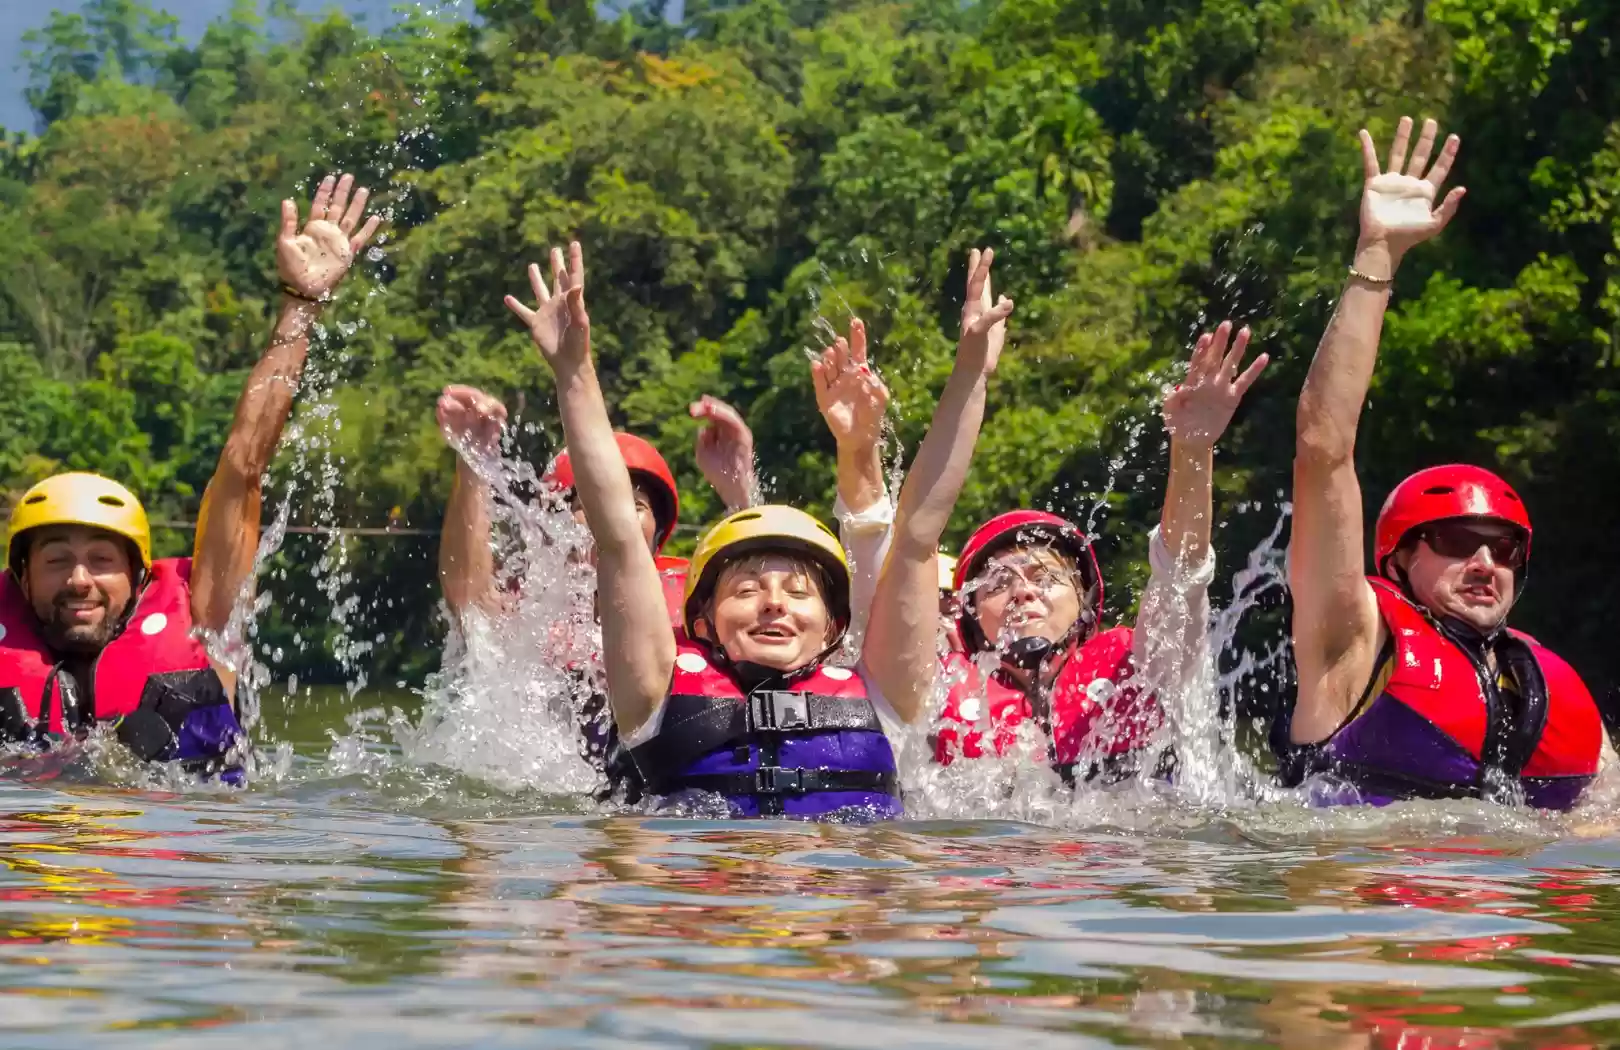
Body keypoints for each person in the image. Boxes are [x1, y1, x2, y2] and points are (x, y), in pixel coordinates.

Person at [505, 240, 1013, 818]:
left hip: (841, 907)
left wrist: (971, 372)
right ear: (702, 621)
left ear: (833, 629)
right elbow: (619, 534)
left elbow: (920, 529)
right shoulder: (654, 697)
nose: (774, 604)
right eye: (746, 590)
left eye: (799, 593)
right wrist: (574, 371)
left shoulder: (882, 698)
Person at [0, 174, 384, 776]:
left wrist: (300, 306)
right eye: (55, 561)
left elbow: (243, 465)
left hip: (192, 859)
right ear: (20, 578)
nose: (79, 580)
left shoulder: (204, 614)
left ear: (137, 573)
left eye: (101, 558)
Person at [1280, 116, 1608, 809]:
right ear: (1398, 558)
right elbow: (1323, 445)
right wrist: (1377, 257)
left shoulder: (1552, 689)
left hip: (1503, 913)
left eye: (1506, 549)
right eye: (1458, 544)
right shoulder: (1350, 638)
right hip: (1370, 910)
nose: (1487, 565)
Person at [435, 389, 756, 625]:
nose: (614, 517)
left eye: (636, 504)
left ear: (657, 537)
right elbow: (469, 598)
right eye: (591, 504)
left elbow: (758, 589)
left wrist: (739, 494)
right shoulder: (533, 610)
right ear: (554, 527)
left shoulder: (691, 599)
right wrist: (473, 461)